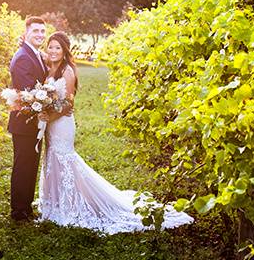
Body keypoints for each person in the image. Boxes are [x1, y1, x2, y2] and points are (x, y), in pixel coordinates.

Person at [36, 31, 194, 234]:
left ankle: (72, 203)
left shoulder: (67, 71)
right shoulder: (50, 69)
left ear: (65, 50)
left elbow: (67, 104)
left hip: (62, 124)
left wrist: (49, 117)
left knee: (65, 159)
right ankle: (54, 202)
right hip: (50, 125)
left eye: (58, 47)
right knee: (51, 159)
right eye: (51, 47)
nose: (53, 50)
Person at [8, 16, 72, 222]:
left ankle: (25, 208)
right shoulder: (23, 57)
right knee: (23, 166)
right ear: (26, 32)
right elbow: (31, 92)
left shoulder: (34, 54)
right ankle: (19, 212)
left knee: (30, 166)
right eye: (35, 31)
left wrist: (57, 108)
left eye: (42, 31)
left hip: (36, 122)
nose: (40, 35)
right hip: (24, 123)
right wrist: (52, 107)